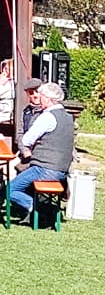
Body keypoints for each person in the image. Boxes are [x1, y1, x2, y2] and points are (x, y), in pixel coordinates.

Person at [7, 82, 74, 221]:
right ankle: (38, 209)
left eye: (42, 96)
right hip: (62, 170)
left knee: (10, 190)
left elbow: (26, 140)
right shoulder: (68, 117)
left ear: (48, 99)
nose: (40, 99)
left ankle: (38, 208)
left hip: (44, 168)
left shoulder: (47, 116)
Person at [0, 59, 14, 127]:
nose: (3, 71)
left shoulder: (12, 83)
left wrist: (1, 84)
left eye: (6, 69)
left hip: (6, 116)